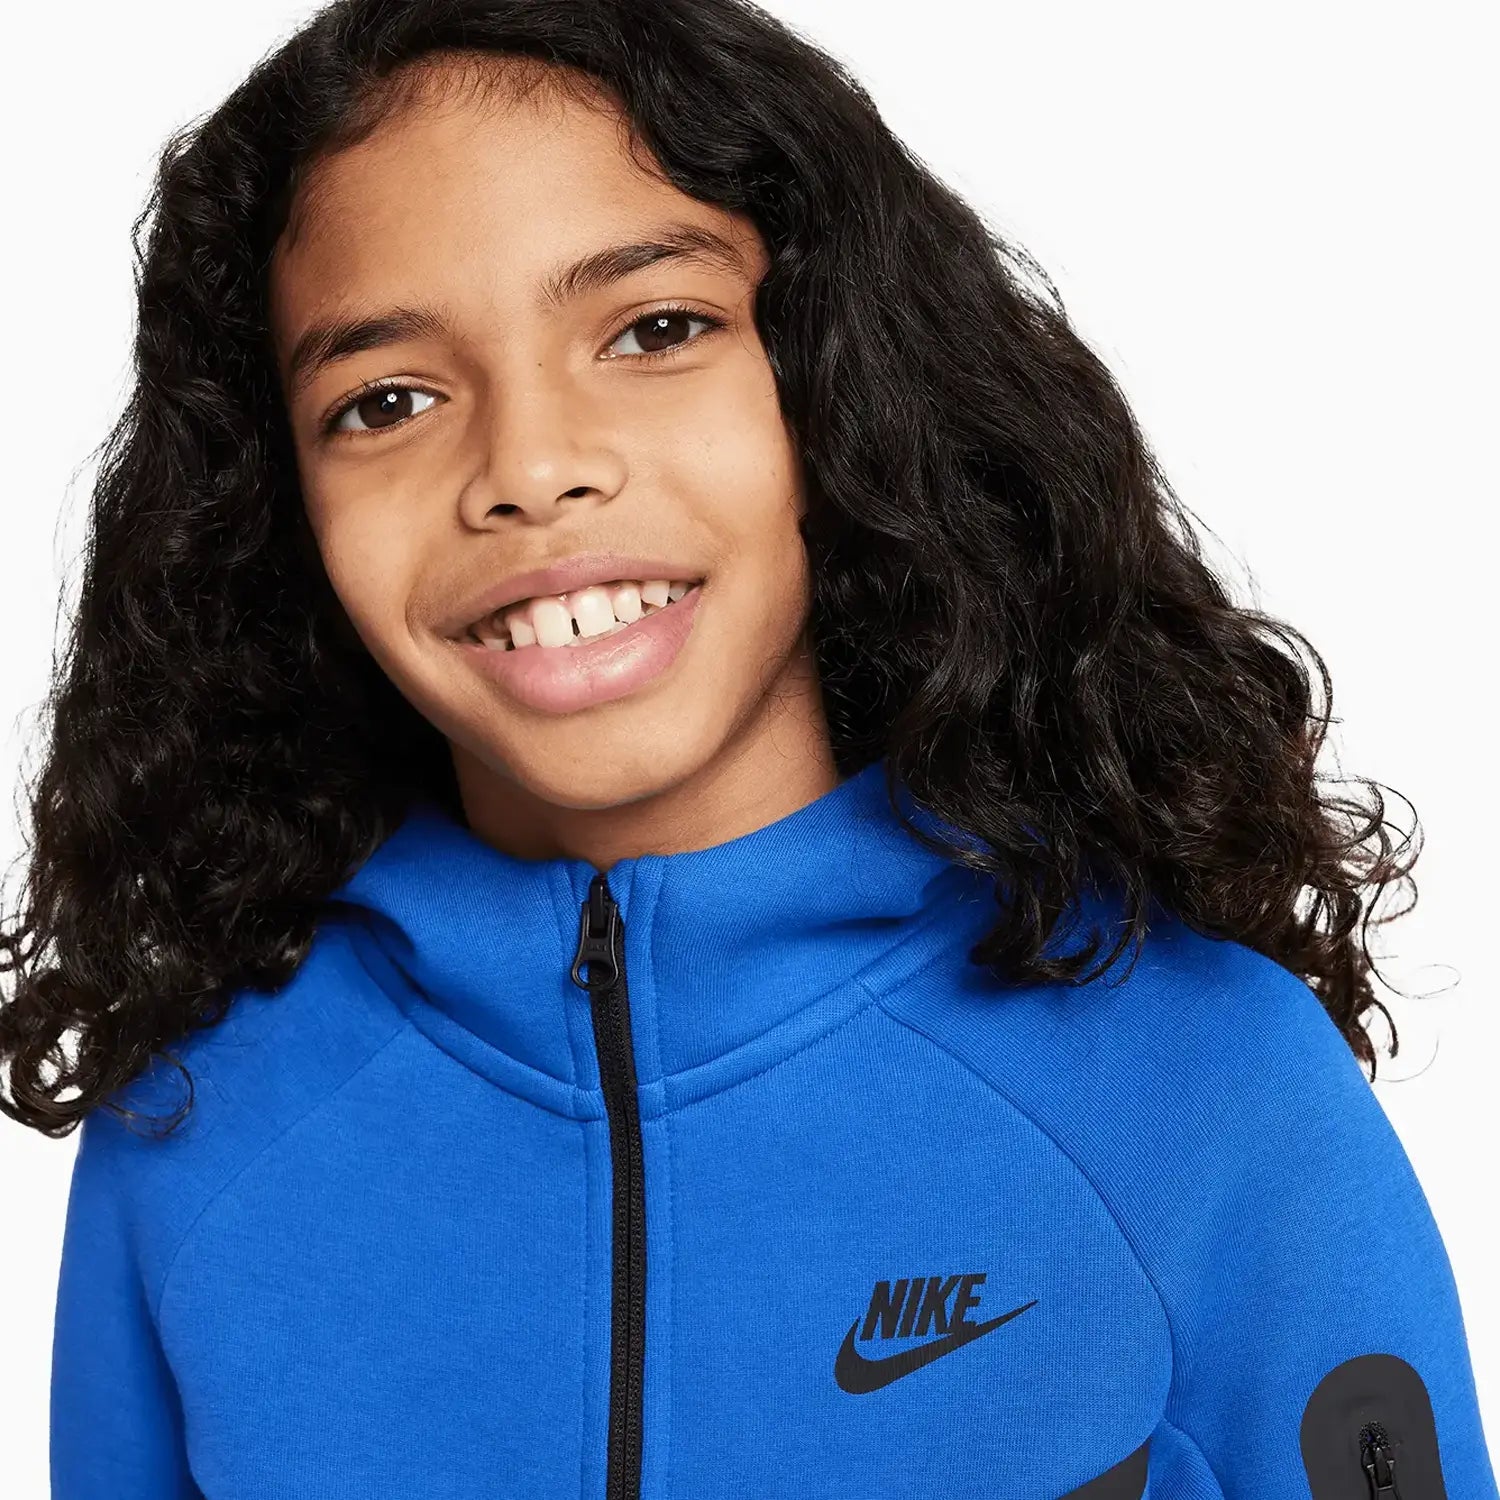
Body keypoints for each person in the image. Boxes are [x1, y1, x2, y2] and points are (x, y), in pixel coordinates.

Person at [1, 0, 1493, 1495]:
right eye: (385, 401)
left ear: (842, 388)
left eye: (656, 329)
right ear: (278, 511)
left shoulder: (1205, 1086)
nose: (530, 468)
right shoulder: (192, 1132)